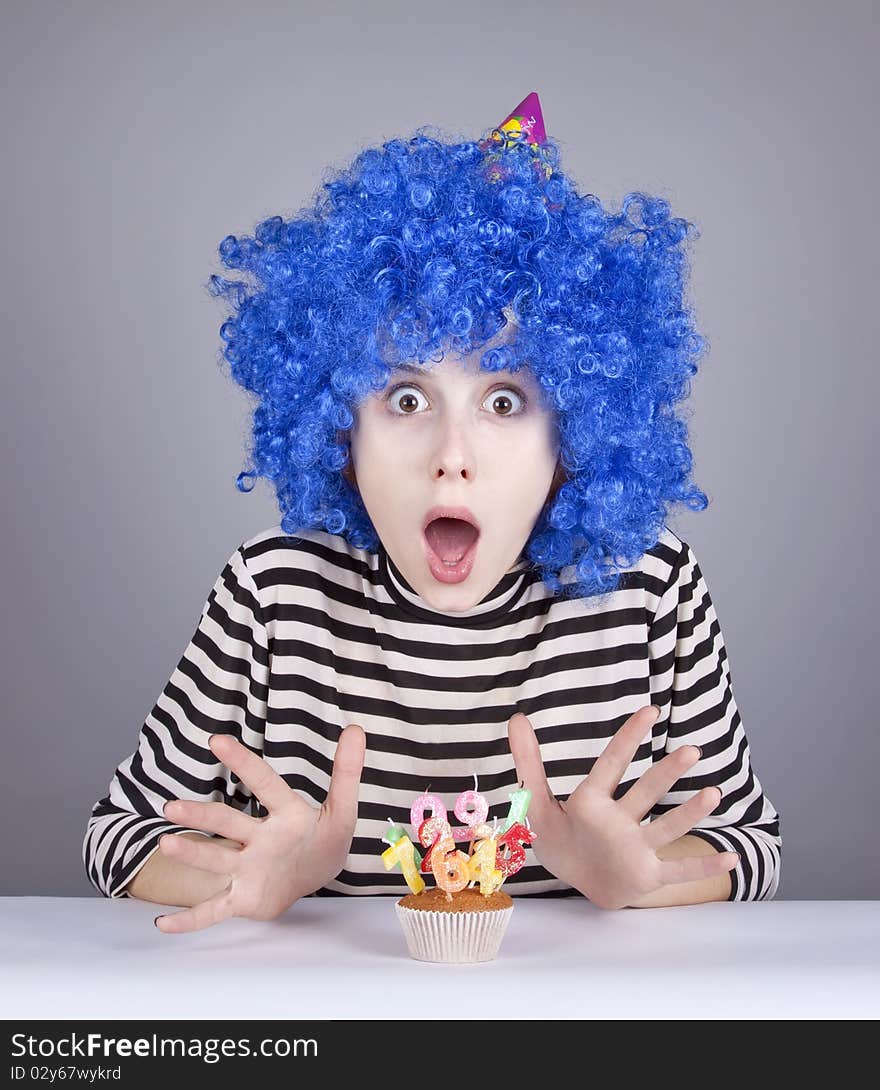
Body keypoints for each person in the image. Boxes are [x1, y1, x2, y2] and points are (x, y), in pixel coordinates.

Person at [83, 93, 782, 933]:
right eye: (407, 397)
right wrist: (259, 881)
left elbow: (750, 845)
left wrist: (632, 880)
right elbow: (115, 836)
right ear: (342, 424)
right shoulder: (275, 593)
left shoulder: (650, 591)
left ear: (575, 431)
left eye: (504, 401)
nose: (453, 454)